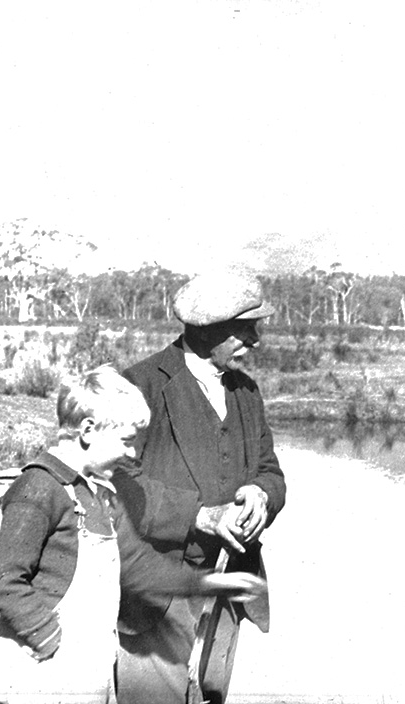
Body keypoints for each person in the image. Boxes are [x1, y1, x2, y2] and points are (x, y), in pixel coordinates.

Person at [0, 365, 267, 704]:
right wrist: (49, 638)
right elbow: (3, 583)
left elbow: (140, 569)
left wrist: (208, 584)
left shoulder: (103, 495)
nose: (132, 454)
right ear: (88, 430)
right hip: (38, 671)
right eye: (126, 441)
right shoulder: (39, 488)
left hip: (83, 673)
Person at [115, 271, 287, 704]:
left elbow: (269, 469)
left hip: (228, 587)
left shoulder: (245, 391)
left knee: (210, 697)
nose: (256, 340)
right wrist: (200, 515)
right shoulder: (139, 385)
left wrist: (262, 494)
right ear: (208, 330)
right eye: (245, 329)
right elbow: (118, 484)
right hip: (160, 594)